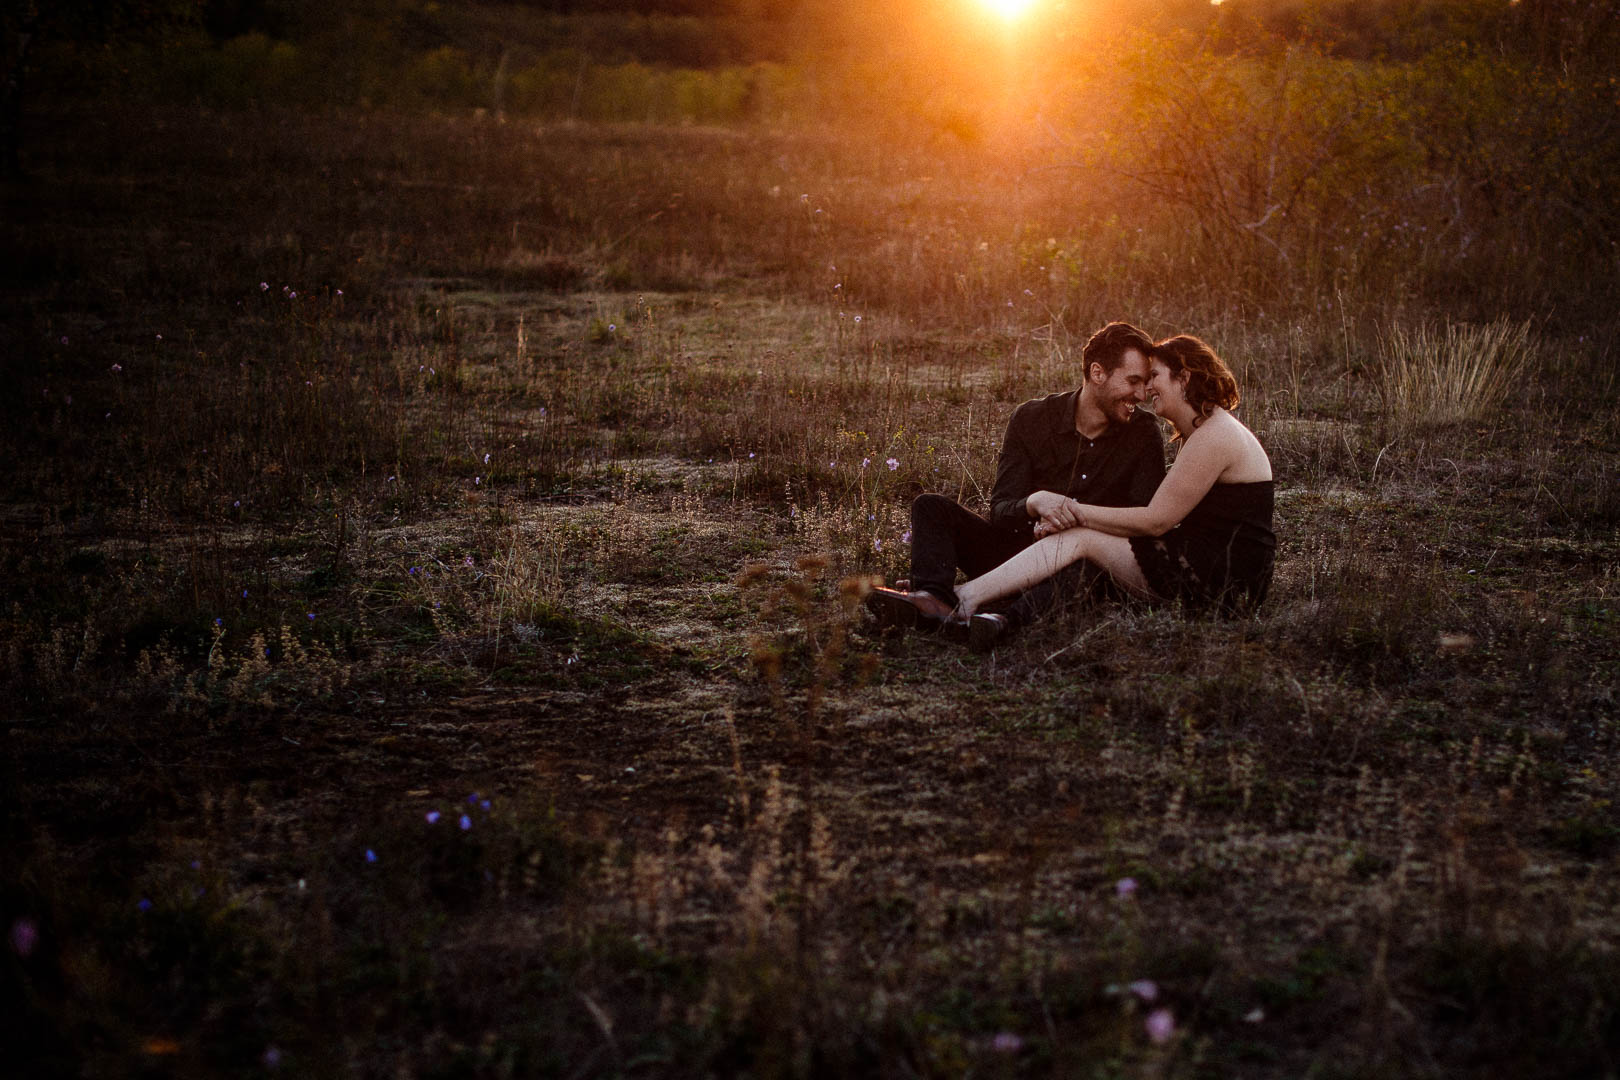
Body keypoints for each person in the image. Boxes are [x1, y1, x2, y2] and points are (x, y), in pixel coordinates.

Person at [944, 334, 1275, 648]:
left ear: (1183, 377)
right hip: (1202, 560)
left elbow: (1156, 521)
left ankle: (966, 596)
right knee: (1089, 548)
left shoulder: (1215, 434)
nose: (1146, 390)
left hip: (1222, 575)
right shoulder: (1206, 430)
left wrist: (1074, 513)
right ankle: (993, 610)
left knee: (1083, 540)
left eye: (1154, 376)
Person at [865, 321, 1166, 634]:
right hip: (1011, 558)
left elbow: (1140, 525)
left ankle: (999, 622)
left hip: (1076, 567)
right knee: (930, 506)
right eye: (1133, 381)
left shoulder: (1143, 434)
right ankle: (931, 597)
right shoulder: (1032, 418)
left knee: (1085, 569)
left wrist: (1075, 524)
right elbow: (1001, 511)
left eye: (1145, 383)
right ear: (1098, 373)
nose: (1142, 394)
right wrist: (1035, 504)